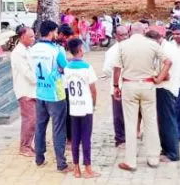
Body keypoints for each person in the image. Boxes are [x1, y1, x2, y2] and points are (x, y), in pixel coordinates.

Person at [112, 22, 172, 172]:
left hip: (129, 85)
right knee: (150, 122)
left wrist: (115, 86)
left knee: (131, 124)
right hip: (148, 85)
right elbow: (168, 61)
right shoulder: (152, 44)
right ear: (144, 31)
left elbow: (117, 68)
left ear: (130, 31)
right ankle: (153, 158)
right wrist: (159, 78)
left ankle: (130, 161)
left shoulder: (123, 46)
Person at [30, 20, 70, 172]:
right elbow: (66, 67)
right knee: (58, 128)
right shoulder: (57, 50)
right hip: (56, 94)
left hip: (40, 92)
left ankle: (39, 158)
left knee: (40, 126)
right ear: (52, 32)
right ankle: (61, 164)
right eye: (55, 32)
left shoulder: (34, 49)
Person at [63, 38, 100, 178]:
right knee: (86, 138)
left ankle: (76, 169)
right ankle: (88, 168)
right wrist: (94, 104)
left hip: (73, 107)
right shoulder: (87, 67)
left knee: (75, 137)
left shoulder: (67, 68)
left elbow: (67, 88)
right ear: (79, 50)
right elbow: (93, 90)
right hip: (85, 107)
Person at [152, 26, 180, 162]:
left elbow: (166, 74)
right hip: (163, 88)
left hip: (166, 88)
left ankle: (172, 153)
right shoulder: (163, 47)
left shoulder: (167, 49)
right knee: (163, 122)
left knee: (167, 121)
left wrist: (154, 77)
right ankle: (166, 149)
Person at [10, 25, 37, 157]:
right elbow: (27, 73)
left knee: (34, 119)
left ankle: (28, 144)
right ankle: (24, 147)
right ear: (22, 37)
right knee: (29, 119)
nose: (33, 38)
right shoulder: (17, 53)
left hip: (33, 90)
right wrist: (40, 80)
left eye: (33, 35)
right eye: (30, 36)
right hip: (25, 90)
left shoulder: (29, 49)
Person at [102, 24, 130, 148]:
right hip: (118, 86)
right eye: (121, 35)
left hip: (131, 85)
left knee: (130, 113)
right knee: (118, 114)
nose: (124, 37)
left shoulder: (132, 48)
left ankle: (130, 136)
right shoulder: (112, 51)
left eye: (126, 34)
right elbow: (106, 70)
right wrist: (117, 74)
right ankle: (120, 139)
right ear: (115, 36)